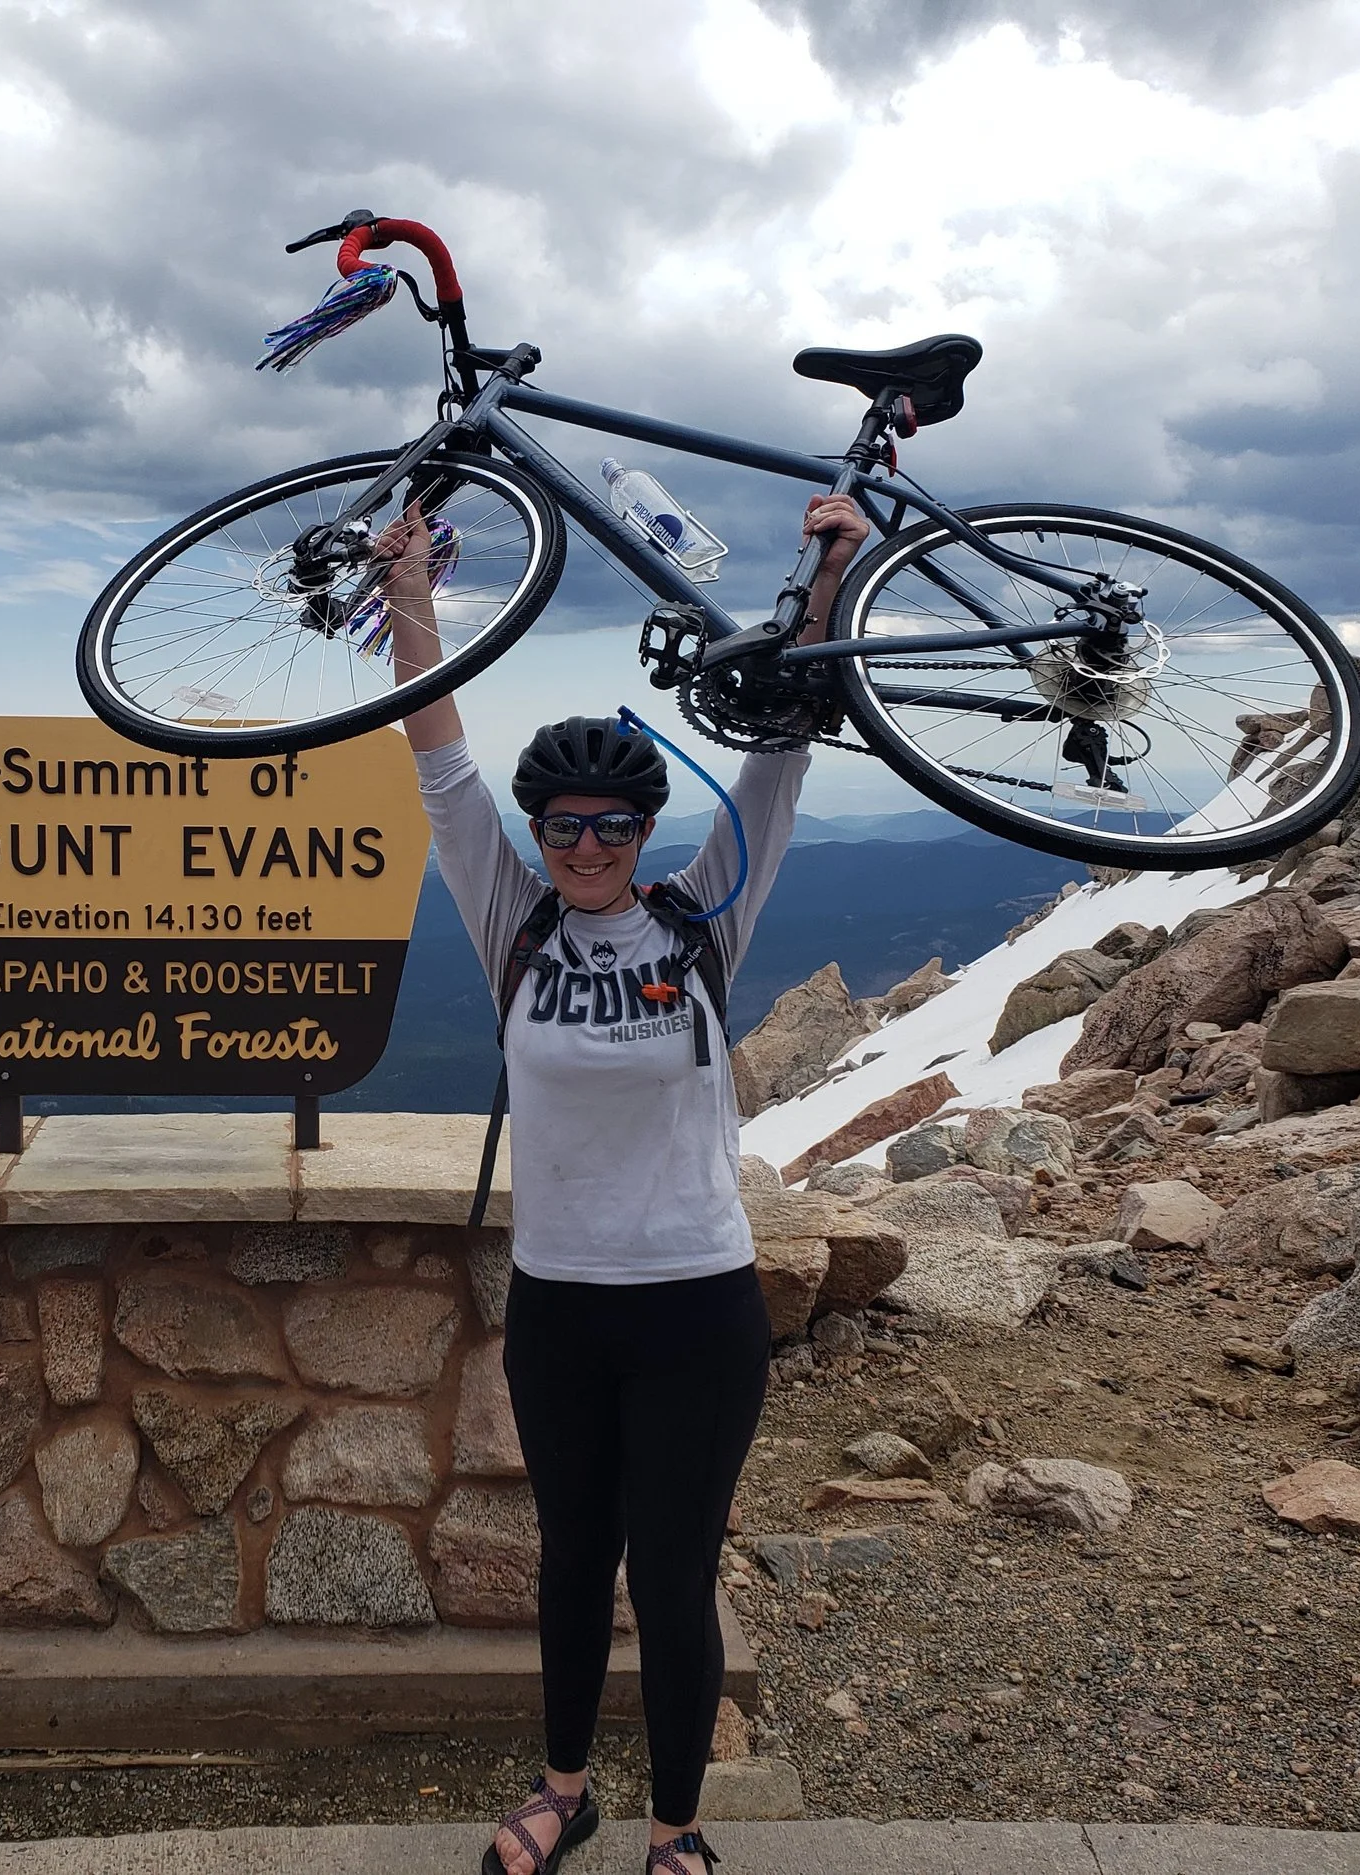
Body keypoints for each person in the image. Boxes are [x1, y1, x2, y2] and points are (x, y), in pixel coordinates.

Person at [377, 489, 870, 1875]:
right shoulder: (510, 913)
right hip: (561, 1305)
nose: (583, 845)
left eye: (607, 824)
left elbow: (779, 758)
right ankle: (562, 1788)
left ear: (645, 829)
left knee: (671, 1572)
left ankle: (678, 1827)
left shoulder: (704, 914)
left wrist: (822, 578)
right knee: (570, 1561)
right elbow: (438, 757)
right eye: (562, 823)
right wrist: (409, 583)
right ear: (537, 831)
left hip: (696, 1304)